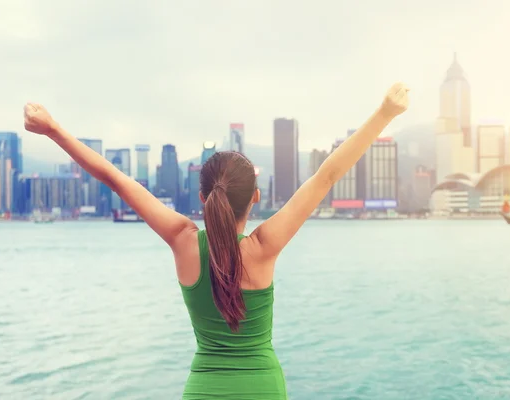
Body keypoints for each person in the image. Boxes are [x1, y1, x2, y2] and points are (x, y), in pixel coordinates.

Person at [23, 82, 409, 399]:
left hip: (203, 389)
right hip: (263, 388)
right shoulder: (263, 247)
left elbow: (114, 178)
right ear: (255, 198)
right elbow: (326, 176)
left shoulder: (182, 240)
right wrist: (386, 113)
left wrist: (53, 128)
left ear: (203, 197)